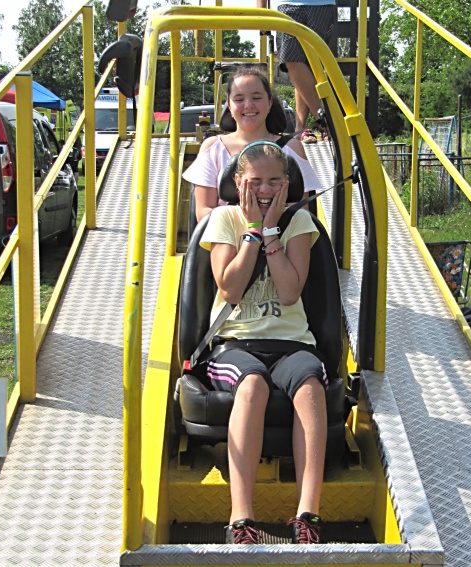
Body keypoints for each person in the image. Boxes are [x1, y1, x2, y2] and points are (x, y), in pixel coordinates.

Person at [200, 141, 327, 544]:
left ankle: (307, 515)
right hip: (237, 342)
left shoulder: (299, 222)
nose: (266, 190)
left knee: (310, 385)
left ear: (288, 184)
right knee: (252, 384)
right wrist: (253, 231)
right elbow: (230, 289)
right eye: (256, 181)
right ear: (238, 182)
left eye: (275, 181)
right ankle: (242, 518)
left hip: (292, 342)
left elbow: (289, 293)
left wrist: (272, 232)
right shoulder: (223, 219)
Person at [183, 67, 321, 222]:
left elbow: (300, 213)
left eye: (256, 98)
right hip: (226, 234)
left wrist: (266, 229)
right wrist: (249, 226)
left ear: (270, 103)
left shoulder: (292, 149)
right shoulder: (213, 148)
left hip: (282, 234)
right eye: (239, 99)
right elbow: (203, 212)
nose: (248, 105)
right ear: (229, 106)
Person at [258, 0, 336, 142]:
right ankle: (325, 122)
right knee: (292, 61)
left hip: (322, 5)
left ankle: (301, 129)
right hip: (289, 5)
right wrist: (261, 11)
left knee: (308, 67)